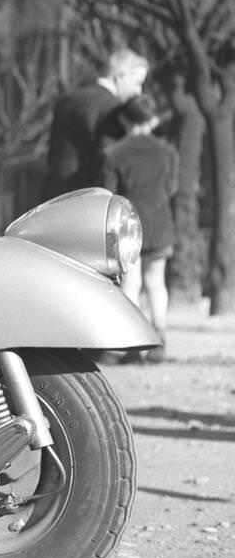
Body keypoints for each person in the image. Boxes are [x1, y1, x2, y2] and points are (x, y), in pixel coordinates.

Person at [102, 93, 179, 362]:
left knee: (131, 285)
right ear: (153, 120)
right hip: (160, 223)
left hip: (128, 228)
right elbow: (172, 188)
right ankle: (159, 340)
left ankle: (133, 344)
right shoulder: (167, 153)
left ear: (125, 120)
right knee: (156, 282)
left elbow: (108, 196)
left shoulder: (113, 154)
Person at [42, 48, 149, 199]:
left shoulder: (66, 100)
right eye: (138, 83)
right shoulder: (114, 109)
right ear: (120, 75)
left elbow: (52, 153)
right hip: (87, 200)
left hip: (53, 196)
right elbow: (109, 164)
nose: (138, 92)